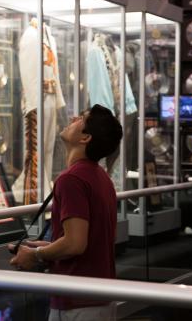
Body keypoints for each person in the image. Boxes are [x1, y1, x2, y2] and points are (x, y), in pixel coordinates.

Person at [9, 104, 122, 321]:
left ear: (85, 138)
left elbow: (75, 244)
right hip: (100, 297)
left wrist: (35, 255)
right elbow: (87, 239)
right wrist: (49, 247)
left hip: (77, 303)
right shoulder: (99, 176)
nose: (72, 118)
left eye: (80, 118)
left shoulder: (71, 180)